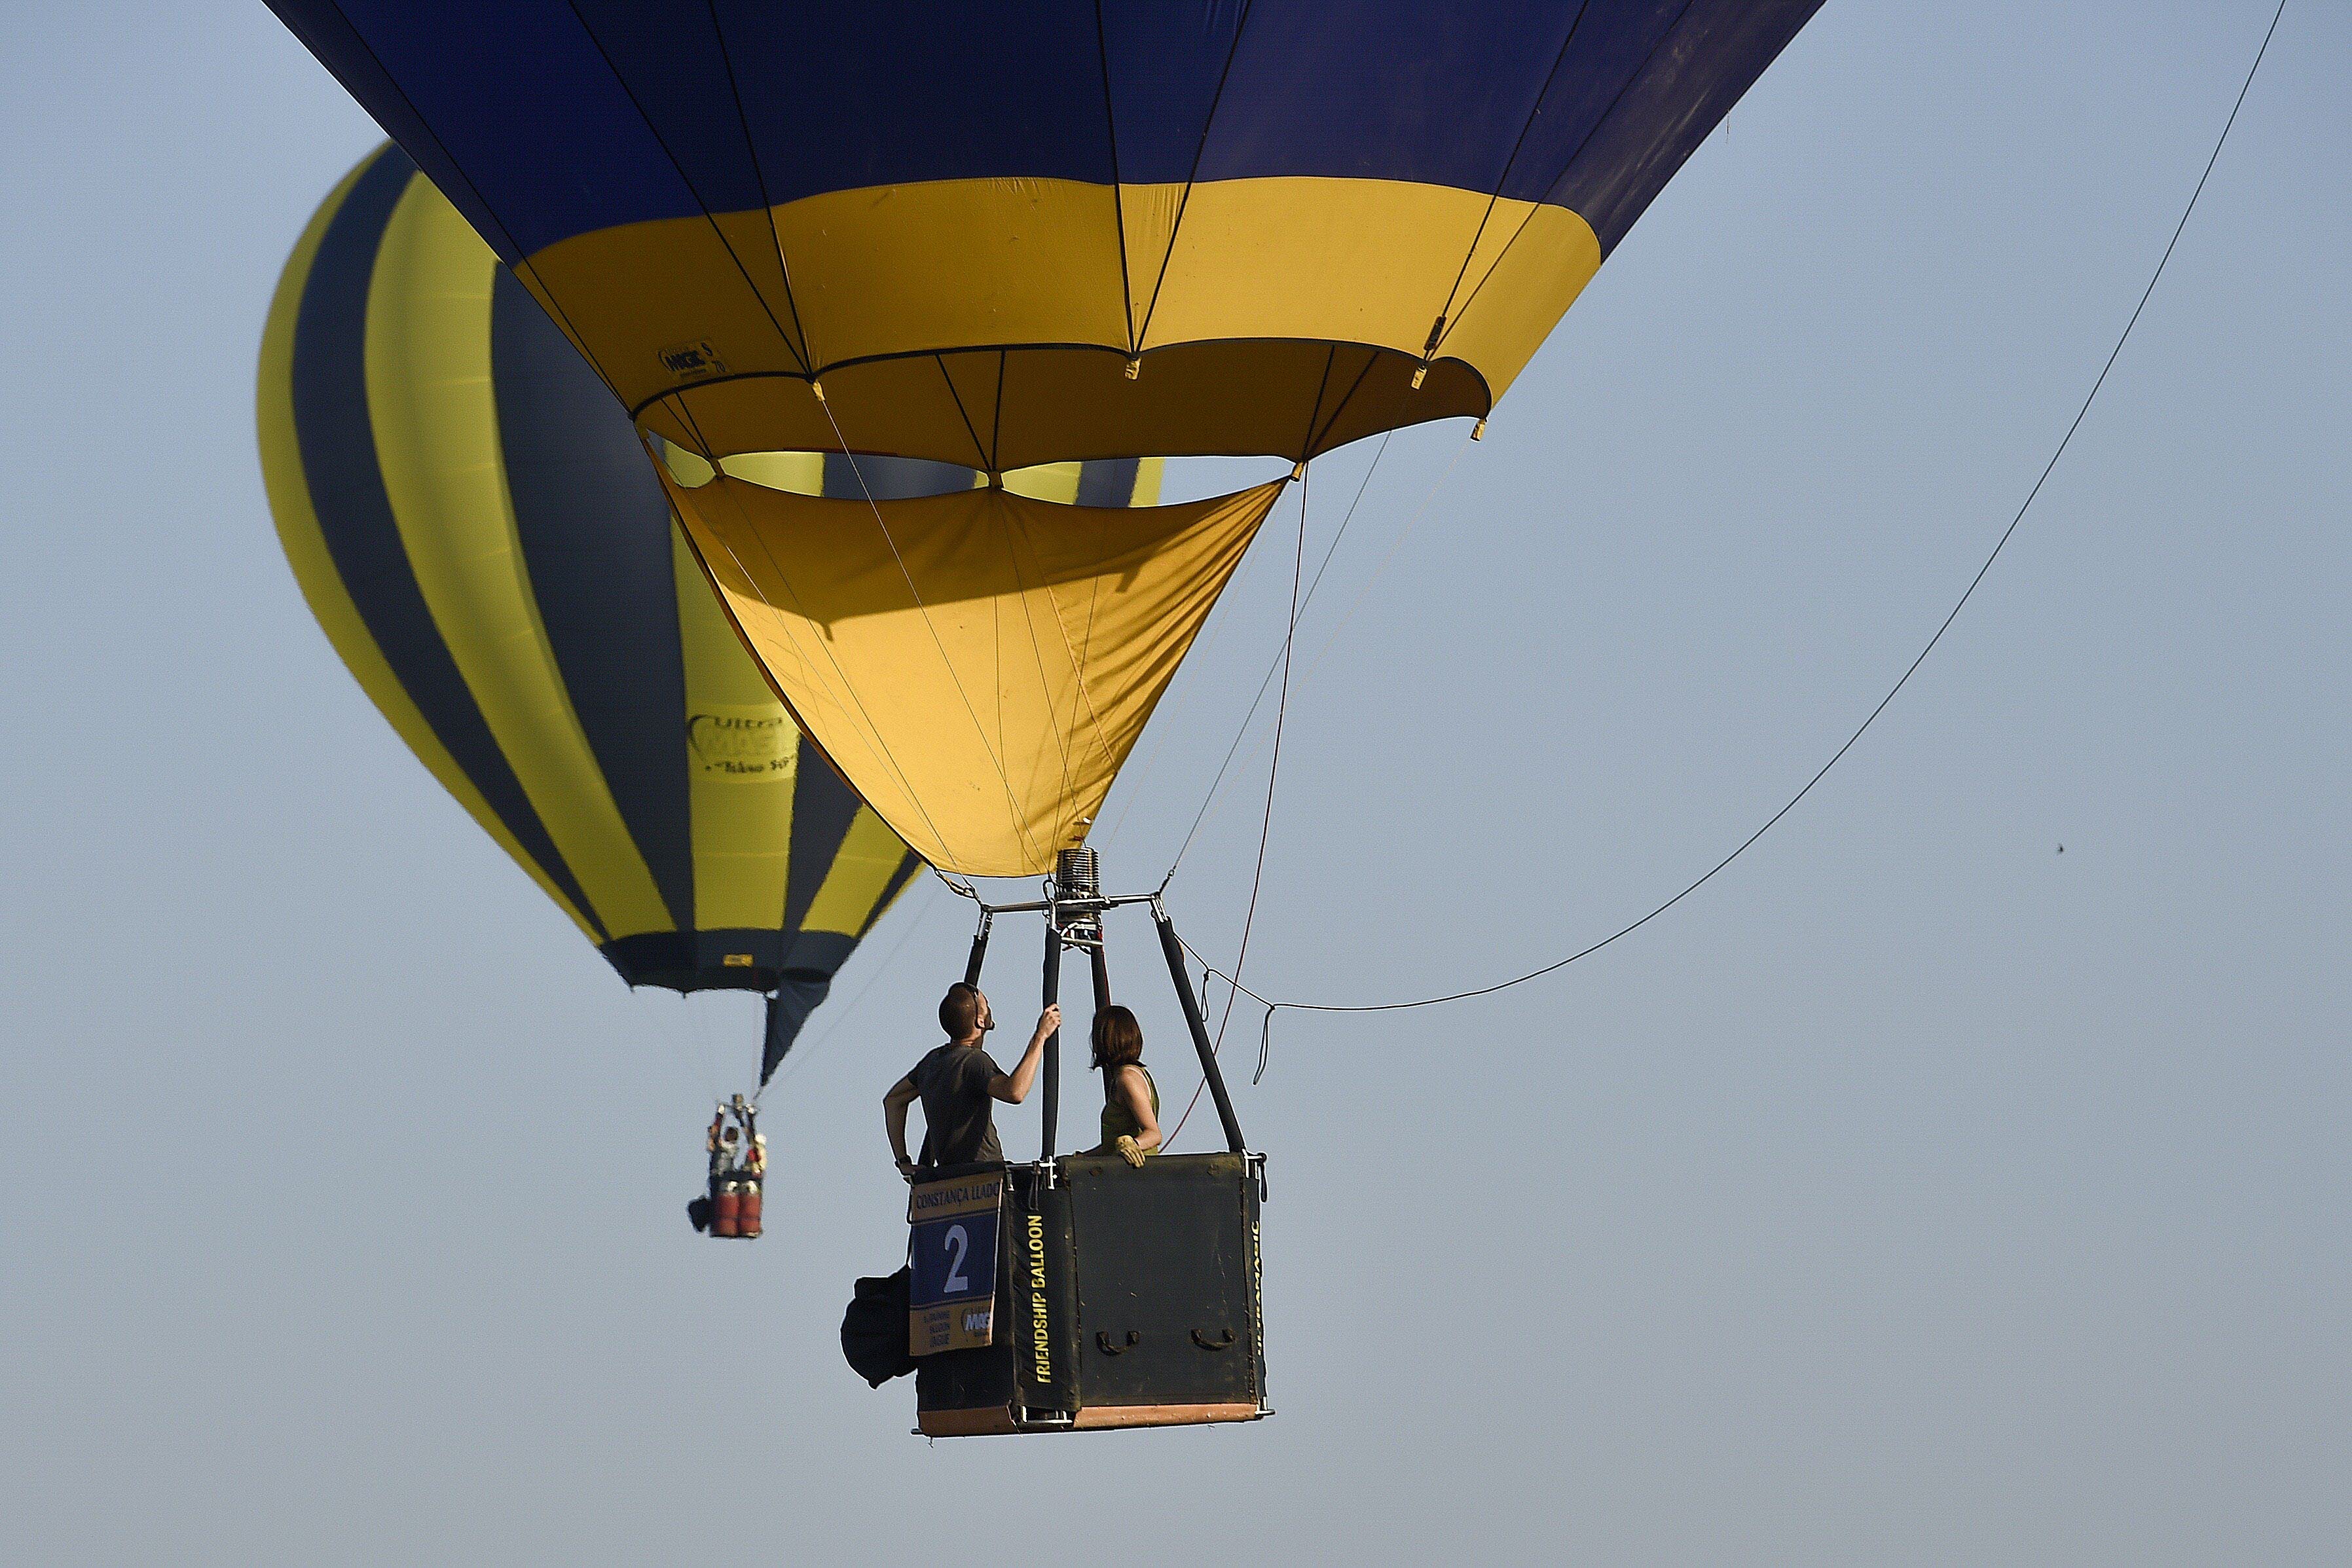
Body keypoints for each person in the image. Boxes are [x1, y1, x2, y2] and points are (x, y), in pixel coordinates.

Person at [883, 983, 1054, 1178]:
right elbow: (1015, 1092)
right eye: (986, 1004)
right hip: (985, 1176)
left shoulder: (932, 1062)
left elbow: (893, 1100)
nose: (989, 1007)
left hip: (950, 1179)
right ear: (980, 1021)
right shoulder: (974, 1061)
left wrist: (903, 1162)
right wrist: (1040, 1037)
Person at [1087, 1004, 1162, 1168]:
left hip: (1133, 1174)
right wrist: (1080, 1158)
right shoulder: (1130, 1076)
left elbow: (1154, 1134)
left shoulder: (1127, 1079)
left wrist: (1132, 1145)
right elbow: (1112, 1146)